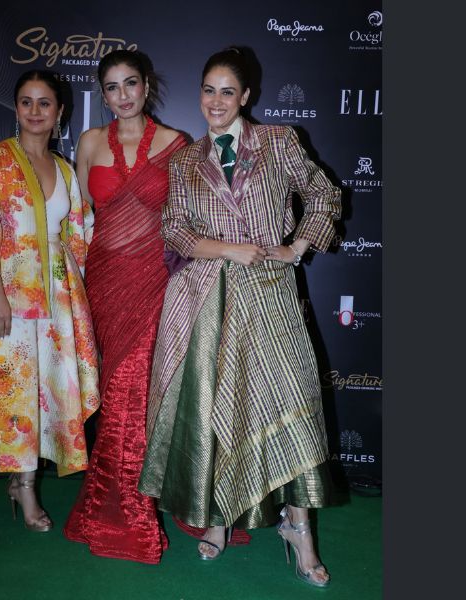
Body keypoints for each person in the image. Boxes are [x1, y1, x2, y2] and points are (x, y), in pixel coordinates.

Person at [138, 47, 342, 587]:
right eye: (208, 90)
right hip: (207, 299)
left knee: (289, 403)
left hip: (271, 296)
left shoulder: (278, 141)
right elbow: (174, 229)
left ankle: (299, 530)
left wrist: (296, 248)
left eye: (227, 91)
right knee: (219, 411)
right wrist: (227, 248)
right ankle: (219, 517)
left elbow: (323, 193)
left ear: (246, 96)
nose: (216, 101)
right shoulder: (185, 161)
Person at [0, 70, 100, 568]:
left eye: (44, 103)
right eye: (26, 102)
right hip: (3, 299)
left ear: (59, 113)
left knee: (38, 398)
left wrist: (74, 302)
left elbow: (78, 236)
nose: (35, 111)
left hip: (54, 303)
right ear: (15, 109)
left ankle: (25, 487)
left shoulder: (66, 170)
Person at [63, 49, 187, 564]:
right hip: (102, 283)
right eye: (112, 87)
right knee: (115, 395)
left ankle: (125, 514)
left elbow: (189, 219)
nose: (123, 95)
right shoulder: (90, 143)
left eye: (130, 83)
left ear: (146, 85)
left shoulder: (177, 144)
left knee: (133, 396)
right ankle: (113, 503)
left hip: (154, 283)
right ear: (103, 94)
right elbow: (77, 219)